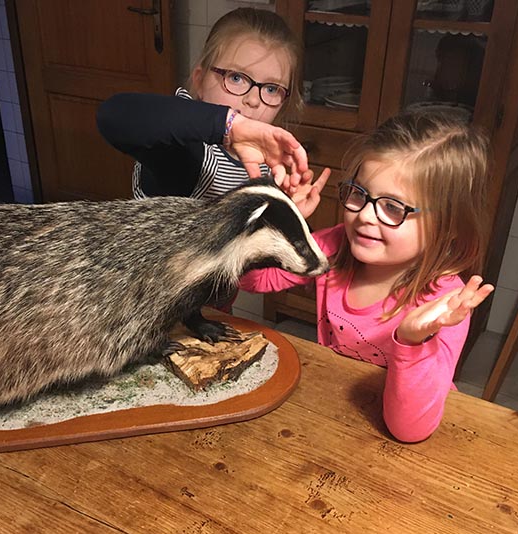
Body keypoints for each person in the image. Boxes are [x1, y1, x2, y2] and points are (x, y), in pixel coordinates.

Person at [241, 110, 495, 443]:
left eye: (393, 207)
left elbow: (409, 430)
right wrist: (281, 227)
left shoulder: (443, 305)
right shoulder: (334, 247)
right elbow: (252, 280)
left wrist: (411, 341)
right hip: (334, 413)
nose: (364, 216)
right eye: (360, 194)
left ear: (447, 227)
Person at [96, 7, 330, 200]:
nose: (252, 100)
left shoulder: (267, 162)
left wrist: (284, 215)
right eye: (236, 78)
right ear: (199, 80)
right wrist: (227, 125)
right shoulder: (191, 152)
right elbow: (113, 115)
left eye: (271, 89)